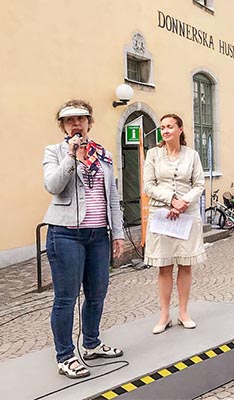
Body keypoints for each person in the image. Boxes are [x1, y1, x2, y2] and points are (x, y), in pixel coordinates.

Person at [43, 99, 124, 378]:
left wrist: (119, 234)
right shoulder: (54, 152)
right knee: (66, 298)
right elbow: (52, 186)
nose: (76, 124)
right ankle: (65, 355)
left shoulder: (104, 155)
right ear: (62, 126)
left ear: (89, 122)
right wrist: (70, 157)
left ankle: (90, 343)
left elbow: (112, 195)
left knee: (97, 293)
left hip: (98, 234)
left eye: (81, 118)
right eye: (70, 120)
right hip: (65, 235)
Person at [144, 114, 206, 334]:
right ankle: (164, 315)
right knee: (164, 265)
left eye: (170, 127)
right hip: (162, 215)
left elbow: (199, 184)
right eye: (162, 128)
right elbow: (149, 186)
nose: (166, 131)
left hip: (186, 215)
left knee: (185, 264)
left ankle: (183, 311)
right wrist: (171, 200)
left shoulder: (192, 155)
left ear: (180, 129)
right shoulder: (153, 154)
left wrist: (183, 203)